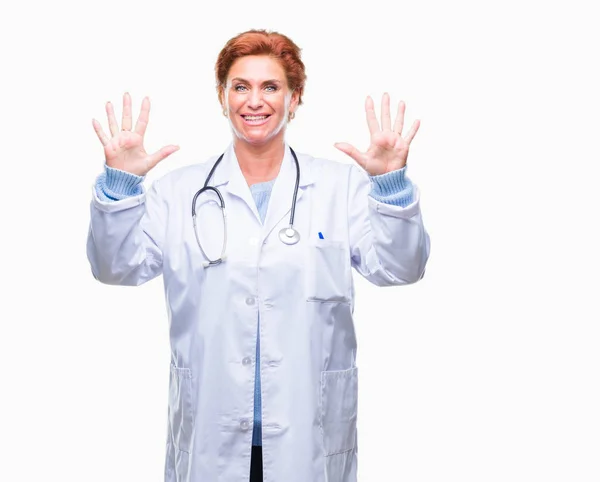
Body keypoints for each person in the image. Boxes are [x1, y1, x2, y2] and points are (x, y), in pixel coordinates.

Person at [87, 29, 430, 482]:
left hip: (308, 435)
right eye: (240, 86)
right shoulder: (179, 193)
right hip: (211, 433)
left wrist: (390, 186)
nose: (255, 101)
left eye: (271, 87)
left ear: (295, 97)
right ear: (222, 96)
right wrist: (120, 185)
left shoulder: (338, 188)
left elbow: (401, 268)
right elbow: (115, 268)